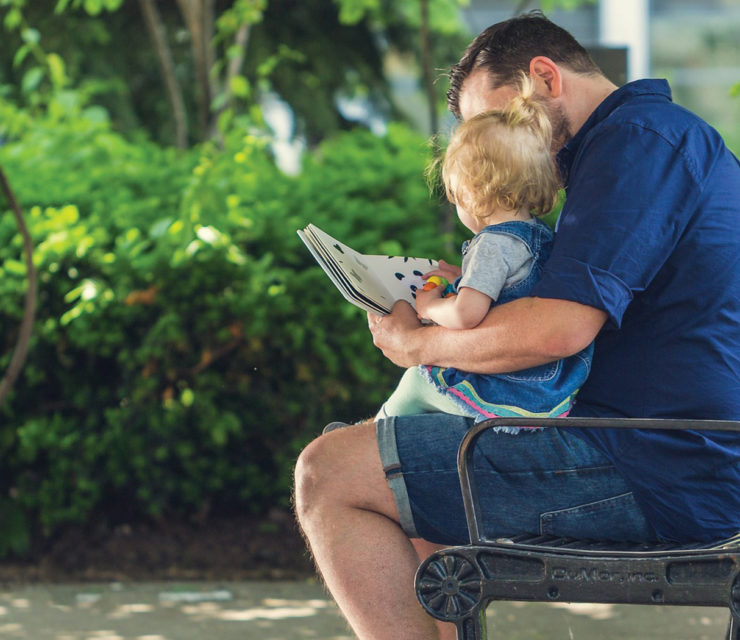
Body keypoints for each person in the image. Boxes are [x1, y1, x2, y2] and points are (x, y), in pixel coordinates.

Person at [294, 11, 740, 640]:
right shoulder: (630, 146)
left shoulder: (638, 141)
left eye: (497, 121)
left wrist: (416, 343)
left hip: (658, 463)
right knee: (393, 460)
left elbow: (557, 331)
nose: (497, 144)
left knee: (329, 472)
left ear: (544, 77)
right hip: (659, 450)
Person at [378, 75, 593, 424]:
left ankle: (373, 431)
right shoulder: (537, 236)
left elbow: (466, 316)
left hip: (510, 390)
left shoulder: (491, 245)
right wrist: (464, 277)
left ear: (471, 192)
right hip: (549, 388)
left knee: (417, 381)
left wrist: (431, 306)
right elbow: (507, 289)